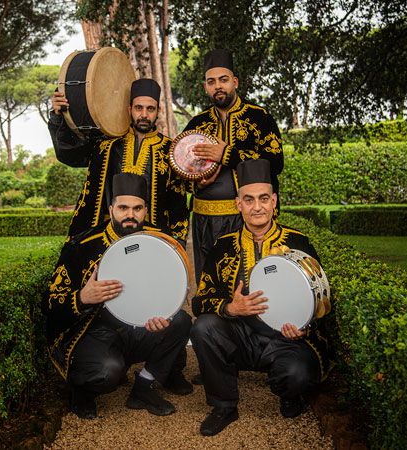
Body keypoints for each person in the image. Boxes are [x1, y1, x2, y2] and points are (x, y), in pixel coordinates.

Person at [190, 159, 330, 436]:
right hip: (239, 337)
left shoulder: (299, 242)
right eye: (249, 199)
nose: (257, 207)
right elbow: (200, 301)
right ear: (238, 204)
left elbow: (323, 300)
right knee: (203, 327)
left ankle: (289, 394)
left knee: (297, 375)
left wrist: (304, 327)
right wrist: (230, 308)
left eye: (264, 199)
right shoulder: (222, 246)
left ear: (274, 201)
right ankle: (224, 405)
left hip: (284, 340)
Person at [42, 173, 193, 420]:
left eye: (137, 208)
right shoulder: (82, 245)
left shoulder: (159, 243)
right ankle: (82, 390)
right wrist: (82, 297)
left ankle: (144, 388)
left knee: (181, 322)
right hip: (94, 332)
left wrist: (164, 313)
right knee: (106, 373)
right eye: (123, 207)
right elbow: (48, 302)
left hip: (138, 328)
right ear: (111, 209)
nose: (130, 214)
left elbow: (168, 288)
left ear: (145, 210)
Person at [183, 48, 284, 283]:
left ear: (235, 82)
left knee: (249, 280)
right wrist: (194, 181)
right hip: (203, 220)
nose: (218, 86)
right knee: (209, 280)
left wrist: (227, 154)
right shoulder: (196, 124)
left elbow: (275, 163)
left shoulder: (260, 118)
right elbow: (181, 170)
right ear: (205, 87)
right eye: (212, 82)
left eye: (223, 80)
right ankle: (210, 320)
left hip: (246, 217)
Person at [48, 78, 189, 244]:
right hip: (106, 238)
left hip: (153, 240)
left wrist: (178, 241)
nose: (144, 114)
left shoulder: (171, 150)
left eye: (150, 109)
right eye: (138, 108)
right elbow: (69, 154)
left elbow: (178, 203)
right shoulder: (106, 143)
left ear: (158, 110)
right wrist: (58, 116)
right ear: (130, 109)